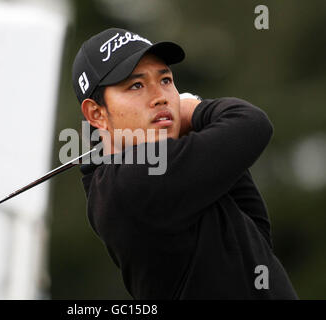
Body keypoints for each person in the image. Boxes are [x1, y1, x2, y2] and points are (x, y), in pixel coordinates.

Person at [71, 27, 298, 299]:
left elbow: (255, 240)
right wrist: (197, 110)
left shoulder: (161, 169)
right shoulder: (130, 184)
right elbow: (252, 124)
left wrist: (191, 126)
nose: (161, 97)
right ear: (96, 114)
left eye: (165, 80)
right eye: (136, 85)